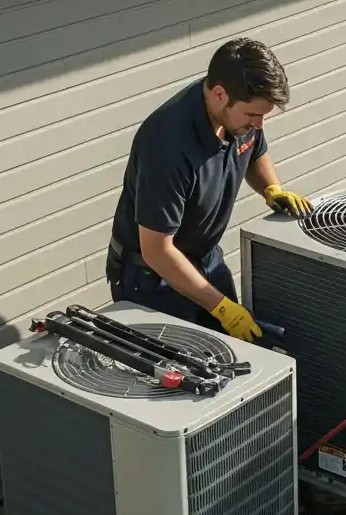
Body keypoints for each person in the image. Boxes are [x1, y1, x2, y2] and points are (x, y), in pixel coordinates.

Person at [105, 38, 314, 342]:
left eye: (264, 115)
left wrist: (272, 188)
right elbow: (157, 250)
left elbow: (254, 151)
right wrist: (221, 308)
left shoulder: (238, 116)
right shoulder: (168, 144)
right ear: (219, 94)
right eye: (253, 115)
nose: (260, 123)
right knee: (183, 374)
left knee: (238, 350)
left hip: (205, 260)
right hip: (153, 279)